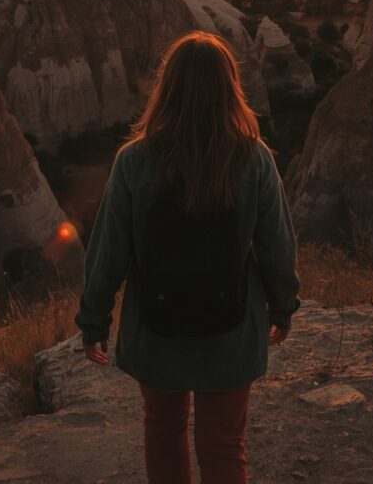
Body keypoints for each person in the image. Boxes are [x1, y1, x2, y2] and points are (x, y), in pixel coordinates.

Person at [75, 31, 300, 484]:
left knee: (163, 427)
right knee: (224, 444)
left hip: (156, 327)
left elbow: (109, 250)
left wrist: (94, 320)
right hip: (232, 327)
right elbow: (277, 244)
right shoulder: (254, 158)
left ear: (168, 87)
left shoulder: (133, 161)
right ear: (229, 87)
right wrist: (283, 305)